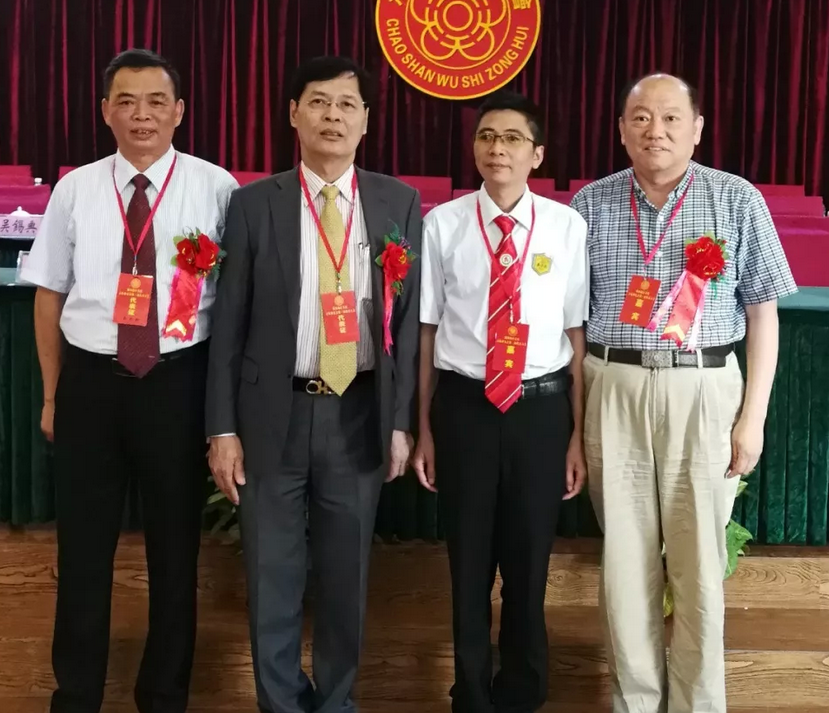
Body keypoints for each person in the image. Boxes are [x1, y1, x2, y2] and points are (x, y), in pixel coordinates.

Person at [570, 73, 797, 713]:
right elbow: (573, 324)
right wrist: (575, 424)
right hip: (613, 386)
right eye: (641, 118)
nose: (656, 131)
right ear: (621, 130)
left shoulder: (736, 199)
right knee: (625, 562)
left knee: (698, 564)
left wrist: (752, 418)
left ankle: (699, 704)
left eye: (671, 117)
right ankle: (636, 703)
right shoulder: (590, 204)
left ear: (697, 128)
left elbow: (764, 314)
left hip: (704, 389)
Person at [22, 48, 238, 713]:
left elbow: (235, 305)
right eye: (126, 101)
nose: (141, 114)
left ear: (179, 111)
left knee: (175, 552)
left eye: (155, 101)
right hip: (91, 384)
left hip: (178, 384)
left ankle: (164, 693)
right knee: (83, 550)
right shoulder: (75, 189)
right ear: (105, 111)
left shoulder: (216, 187)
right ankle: (76, 693)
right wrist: (52, 395)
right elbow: (49, 295)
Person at [205, 55, 421, 713]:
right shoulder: (253, 204)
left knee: (345, 576)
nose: (333, 115)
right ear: (294, 114)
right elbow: (227, 325)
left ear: (366, 121)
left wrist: (399, 422)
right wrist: (222, 429)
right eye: (319, 102)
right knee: (271, 572)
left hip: (358, 412)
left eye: (347, 104)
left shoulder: (397, 203)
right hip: (272, 413)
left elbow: (407, 324)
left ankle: (335, 702)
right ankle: (279, 703)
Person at [413, 90, 589, 713]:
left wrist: (576, 435)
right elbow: (427, 332)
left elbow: (576, 334)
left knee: (528, 563)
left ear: (536, 154)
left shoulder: (567, 227)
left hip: (540, 412)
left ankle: (522, 691)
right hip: (464, 409)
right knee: (467, 563)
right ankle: (470, 693)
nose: (497, 149)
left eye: (513, 138)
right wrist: (424, 427)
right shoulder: (443, 224)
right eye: (487, 136)